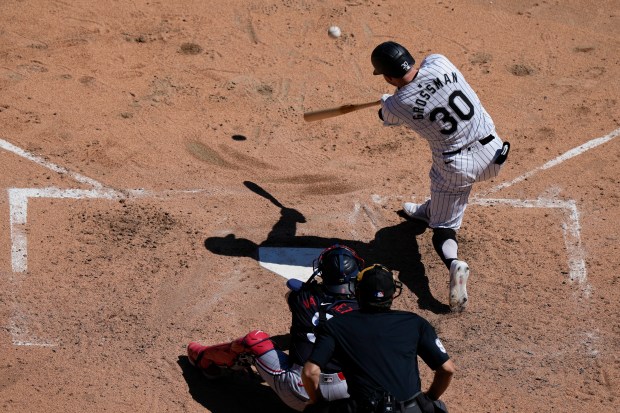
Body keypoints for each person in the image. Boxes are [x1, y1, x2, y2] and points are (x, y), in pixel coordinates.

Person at [371, 41, 511, 312]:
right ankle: (429, 210)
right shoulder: (440, 61)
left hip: (459, 167)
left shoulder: (398, 105)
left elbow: (385, 114)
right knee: (441, 190)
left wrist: (386, 102)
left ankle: (453, 263)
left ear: (388, 77)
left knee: (443, 228)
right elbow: (424, 73)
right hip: (494, 153)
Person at [187, 244, 365, 411]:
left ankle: (204, 359)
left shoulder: (302, 297)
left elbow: (291, 294)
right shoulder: (369, 310)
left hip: (301, 392)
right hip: (351, 395)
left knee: (254, 340)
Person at [302, 264, 455, 413]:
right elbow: (446, 369)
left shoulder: (337, 325)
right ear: (393, 293)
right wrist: (428, 398)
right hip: (409, 408)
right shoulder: (415, 322)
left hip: (363, 408)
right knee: (438, 407)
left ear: (358, 292)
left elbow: (310, 372)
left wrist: (317, 403)